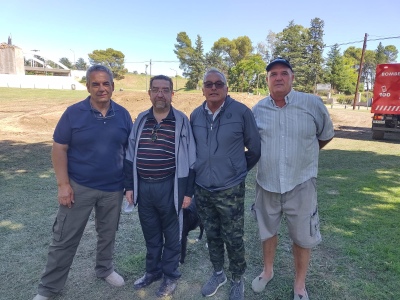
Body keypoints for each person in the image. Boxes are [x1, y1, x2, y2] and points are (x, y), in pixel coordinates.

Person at [33, 65, 133, 300]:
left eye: (105, 83)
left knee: (108, 233)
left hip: (113, 188)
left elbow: (129, 150)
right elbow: (59, 148)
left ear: (113, 86)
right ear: (87, 86)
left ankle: (105, 269)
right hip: (79, 187)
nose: (101, 88)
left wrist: (128, 184)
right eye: (95, 84)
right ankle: (48, 289)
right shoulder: (73, 113)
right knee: (65, 238)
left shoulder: (124, 114)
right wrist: (63, 185)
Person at [251, 57, 334, 300]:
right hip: (267, 183)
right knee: (267, 232)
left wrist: (306, 155)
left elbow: (326, 134)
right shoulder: (257, 110)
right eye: (273, 74)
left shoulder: (312, 104)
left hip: (301, 183)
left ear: (292, 78)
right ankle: (267, 272)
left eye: (284, 73)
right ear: (267, 80)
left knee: (303, 237)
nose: (278, 78)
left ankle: (299, 285)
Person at [190, 68, 261, 300]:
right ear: (202, 89)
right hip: (203, 188)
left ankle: (237, 278)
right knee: (212, 234)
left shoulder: (241, 112)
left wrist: (235, 171)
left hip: (230, 189)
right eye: (208, 84)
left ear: (226, 88)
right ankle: (218, 273)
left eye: (218, 84)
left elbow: (255, 149)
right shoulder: (195, 115)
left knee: (233, 237)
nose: (213, 88)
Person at [124, 75, 196, 298]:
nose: (160, 94)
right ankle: (152, 271)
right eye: (156, 89)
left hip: (170, 187)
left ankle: (170, 275)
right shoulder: (142, 120)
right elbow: (129, 154)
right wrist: (129, 186)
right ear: (149, 93)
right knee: (151, 233)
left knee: (172, 235)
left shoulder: (181, 120)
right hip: (144, 187)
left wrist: (188, 192)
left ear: (172, 94)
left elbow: (192, 158)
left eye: (165, 90)